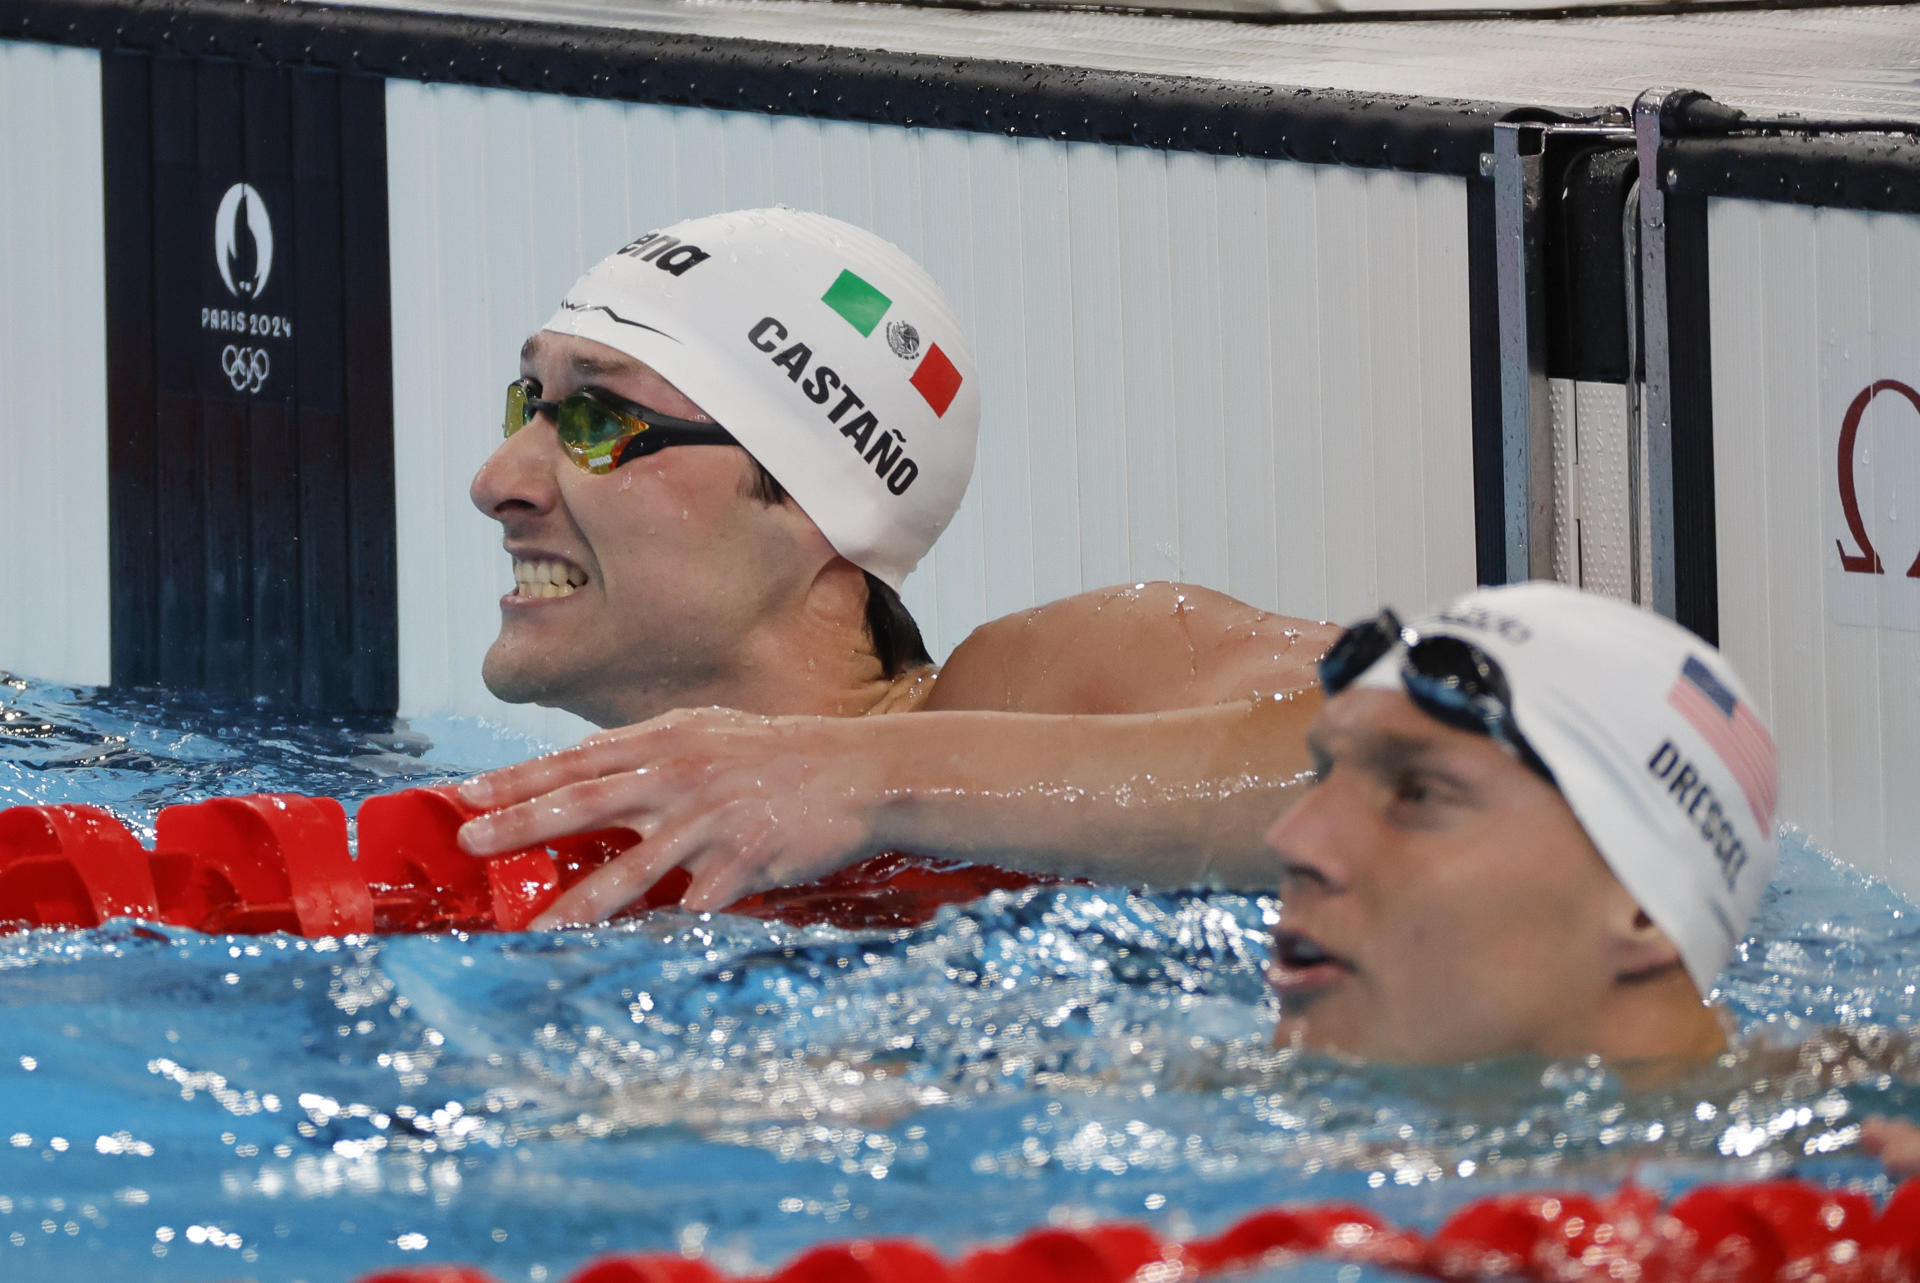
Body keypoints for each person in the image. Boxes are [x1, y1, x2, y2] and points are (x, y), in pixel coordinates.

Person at [455, 206, 1339, 926]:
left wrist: (869, 777)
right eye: (527, 405)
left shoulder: (1041, 680)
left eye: (599, 418)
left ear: (816, 501)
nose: (497, 483)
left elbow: (1441, 731)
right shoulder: (612, 858)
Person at [1263, 581, 1778, 1065]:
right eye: (1322, 775)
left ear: (1647, 908)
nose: (1290, 841)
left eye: (1418, 793)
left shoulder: (1835, 1152)